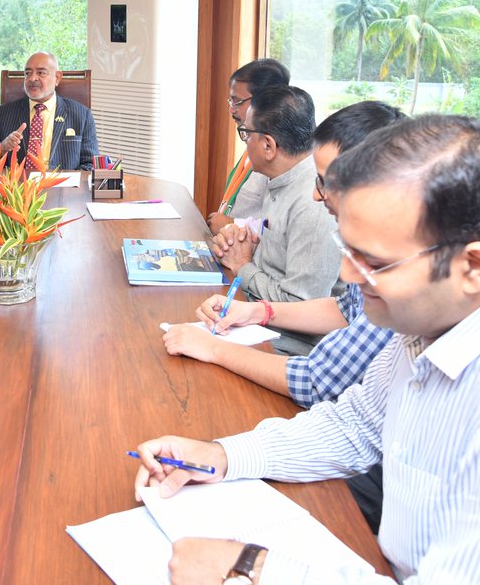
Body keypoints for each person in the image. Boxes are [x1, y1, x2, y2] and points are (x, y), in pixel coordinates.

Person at [134, 115, 480, 583]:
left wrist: (248, 569)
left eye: (373, 261)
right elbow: (357, 424)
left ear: (473, 265)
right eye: (347, 248)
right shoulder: (435, 320)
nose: (348, 275)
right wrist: (220, 456)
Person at [165, 101, 403, 408]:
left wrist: (213, 349)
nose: (316, 194)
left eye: (324, 183)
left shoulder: (397, 276)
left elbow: (316, 382)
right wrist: (258, 311)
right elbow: (345, 308)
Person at [211, 86, 342, 311]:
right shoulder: (280, 178)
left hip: (282, 339)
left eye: (246, 134)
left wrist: (242, 266)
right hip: (251, 307)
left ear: (268, 146)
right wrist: (242, 244)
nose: (245, 141)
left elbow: (301, 306)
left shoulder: (313, 204)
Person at [207, 59, 290, 234]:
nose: (231, 110)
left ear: (264, 101)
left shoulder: (278, 155)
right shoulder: (252, 141)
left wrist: (232, 224)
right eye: (231, 102)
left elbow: (277, 228)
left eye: (237, 102)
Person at [0, 51, 97, 171]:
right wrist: (3, 148)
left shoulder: (82, 115)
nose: (32, 78)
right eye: (27, 73)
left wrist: (70, 186)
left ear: (57, 77)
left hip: (62, 187)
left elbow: (90, 164)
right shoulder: (3, 114)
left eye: (41, 73)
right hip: (17, 187)